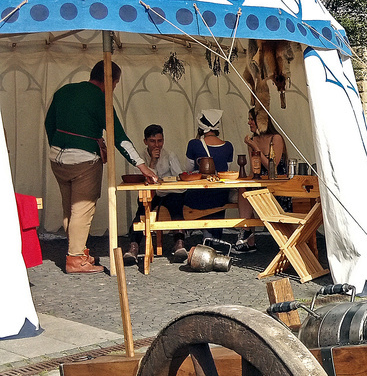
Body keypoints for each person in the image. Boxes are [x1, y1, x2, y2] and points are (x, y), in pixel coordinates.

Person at [44, 60, 155, 273]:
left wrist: (57, 146)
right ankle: (75, 260)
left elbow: (50, 124)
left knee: (69, 208)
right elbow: (119, 138)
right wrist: (142, 166)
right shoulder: (100, 99)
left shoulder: (64, 91)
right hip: (84, 160)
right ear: (108, 80)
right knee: (82, 210)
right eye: (114, 84)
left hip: (57, 158)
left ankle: (78, 249)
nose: (113, 89)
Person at [124, 124, 185, 264]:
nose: (157, 145)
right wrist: (152, 162)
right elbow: (139, 180)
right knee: (142, 209)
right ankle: (133, 246)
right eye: (153, 141)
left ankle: (179, 243)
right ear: (145, 141)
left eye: (160, 141)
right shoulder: (140, 158)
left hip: (169, 193)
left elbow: (179, 178)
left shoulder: (170, 155)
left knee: (176, 203)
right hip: (151, 193)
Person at [181, 109, 234, 256]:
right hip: (220, 195)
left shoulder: (194, 144)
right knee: (218, 196)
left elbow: (188, 170)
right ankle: (213, 234)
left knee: (185, 195)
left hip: (198, 195)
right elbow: (227, 170)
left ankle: (192, 228)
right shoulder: (228, 146)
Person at [234, 107, 287, 254]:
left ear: (261, 121)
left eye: (252, 119)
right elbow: (255, 168)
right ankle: (246, 235)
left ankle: (246, 235)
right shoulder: (254, 139)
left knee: (248, 191)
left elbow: (272, 167)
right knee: (243, 189)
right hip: (261, 183)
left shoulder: (275, 138)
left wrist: (255, 147)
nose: (249, 122)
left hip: (277, 185)